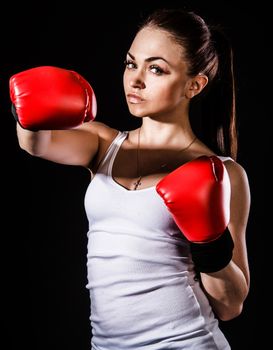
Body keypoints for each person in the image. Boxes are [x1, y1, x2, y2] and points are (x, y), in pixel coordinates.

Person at [11, 8, 251, 350]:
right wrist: (28, 109)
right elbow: (36, 143)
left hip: (189, 343)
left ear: (194, 85)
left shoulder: (222, 172)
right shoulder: (103, 144)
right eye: (130, 63)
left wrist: (209, 243)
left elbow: (230, 305)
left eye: (156, 69)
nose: (135, 80)